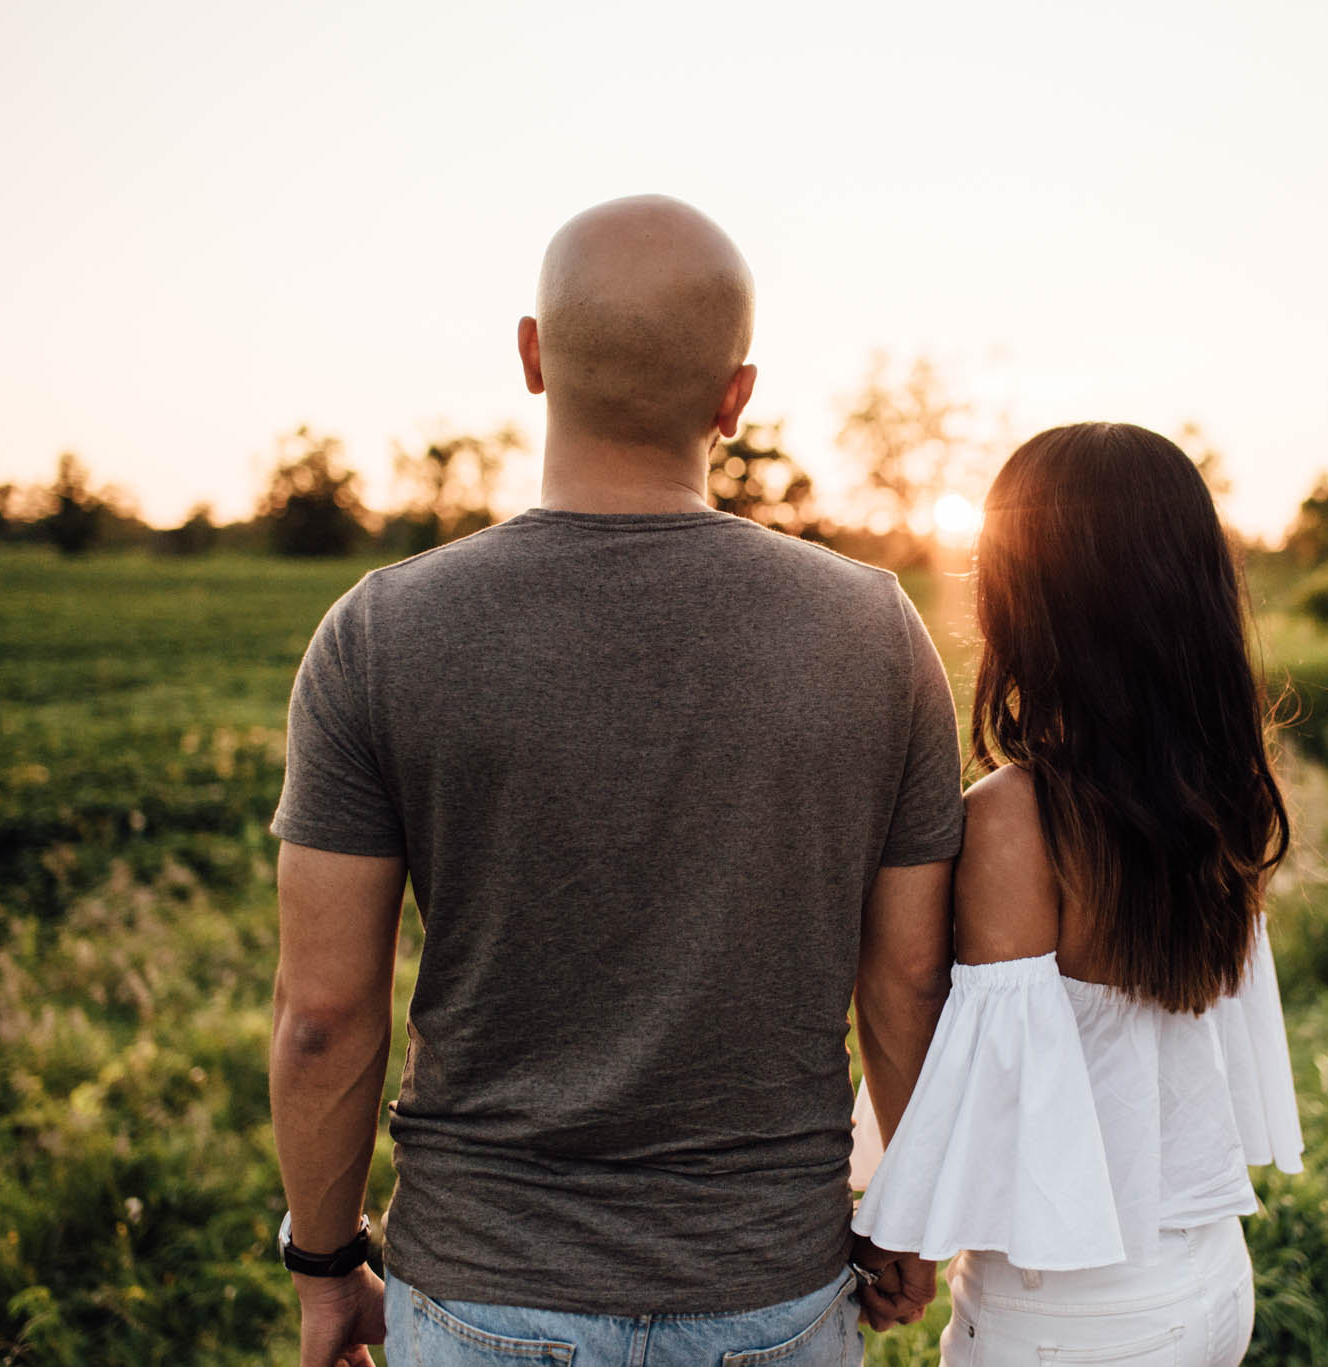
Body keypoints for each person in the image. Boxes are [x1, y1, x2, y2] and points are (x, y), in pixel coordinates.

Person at [266, 195, 961, 1367]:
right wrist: (915, 1208)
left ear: (531, 355)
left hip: (479, 1290)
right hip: (771, 1290)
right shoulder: (873, 633)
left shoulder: (380, 633)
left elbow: (324, 1017)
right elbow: (906, 978)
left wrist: (328, 1266)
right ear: (735, 397)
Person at [849, 422, 1303, 1366]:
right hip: (1210, 1280)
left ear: (1029, 601)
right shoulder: (1220, 788)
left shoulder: (1017, 819)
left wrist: (905, 1229)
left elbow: (981, 1079)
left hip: (1073, 1319)